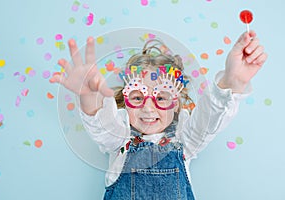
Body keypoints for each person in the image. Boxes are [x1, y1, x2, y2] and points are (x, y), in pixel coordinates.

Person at [49, 30, 267, 199]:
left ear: (176, 104)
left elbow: (209, 120)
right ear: (124, 100)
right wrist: (90, 96)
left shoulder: (184, 138)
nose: (148, 108)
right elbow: (101, 125)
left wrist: (232, 81)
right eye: (137, 97)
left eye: (161, 97)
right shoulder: (119, 137)